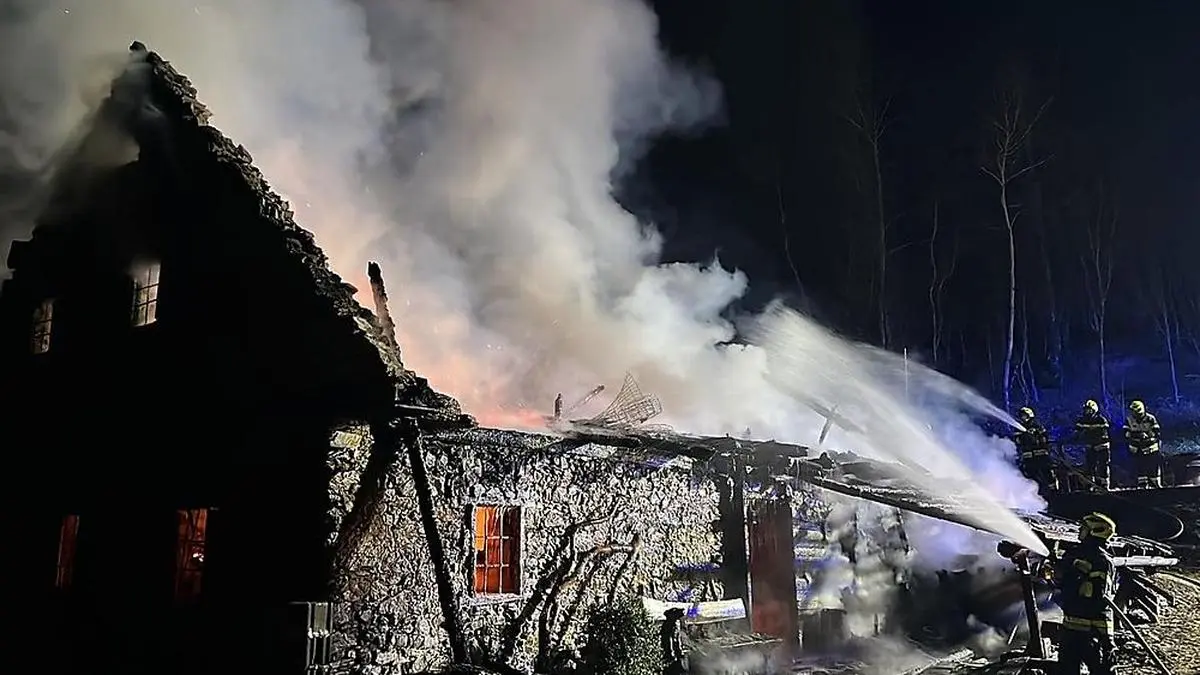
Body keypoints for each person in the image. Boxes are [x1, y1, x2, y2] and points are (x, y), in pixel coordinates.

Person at [1054, 512, 1117, 675]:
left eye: (1083, 528)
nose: (1079, 531)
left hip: (1093, 630)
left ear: (1095, 531)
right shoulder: (1080, 554)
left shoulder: (1100, 559)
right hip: (1074, 627)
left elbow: (1098, 595)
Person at [1014, 407, 1057, 492]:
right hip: (1028, 456)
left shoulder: (1037, 426)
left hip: (1041, 454)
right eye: (1022, 416)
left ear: (1030, 416)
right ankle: (1036, 492)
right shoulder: (1019, 428)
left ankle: (1054, 490)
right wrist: (1023, 436)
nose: (1023, 418)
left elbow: (1045, 438)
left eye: (1024, 416)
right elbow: (1017, 440)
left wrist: (1036, 436)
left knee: (1047, 472)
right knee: (1031, 474)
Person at [1073, 400, 1111, 490]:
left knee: (1102, 466)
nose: (1087, 412)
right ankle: (1089, 484)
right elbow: (1076, 432)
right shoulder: (1082, 420)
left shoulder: (1101, 420)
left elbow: (1104, 434)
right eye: (1086, 410)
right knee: (1089, 466)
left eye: (1089, 410)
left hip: (1101, 447)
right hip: (1090, 447)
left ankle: (1104, 485)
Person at [1124, 400, 1163, 489]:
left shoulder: (1150, 418)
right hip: (1137, 450)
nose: (1133, 413)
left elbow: (1157, 433)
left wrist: (1147, 436)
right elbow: (1126, 433)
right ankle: (1142, 487)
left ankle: (1155, 486)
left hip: (1150, 449)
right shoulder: (1129, 420)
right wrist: (1137, 435)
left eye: (1134, 411)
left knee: (1153, 469)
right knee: (1140, 470)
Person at [660, 607, 688, 675]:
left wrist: (679, 650)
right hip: (671, 654)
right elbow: (669, 639)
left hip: (674, 653)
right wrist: (671, 651)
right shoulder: (669, 625)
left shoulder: (676, 624)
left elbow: (677, 638)